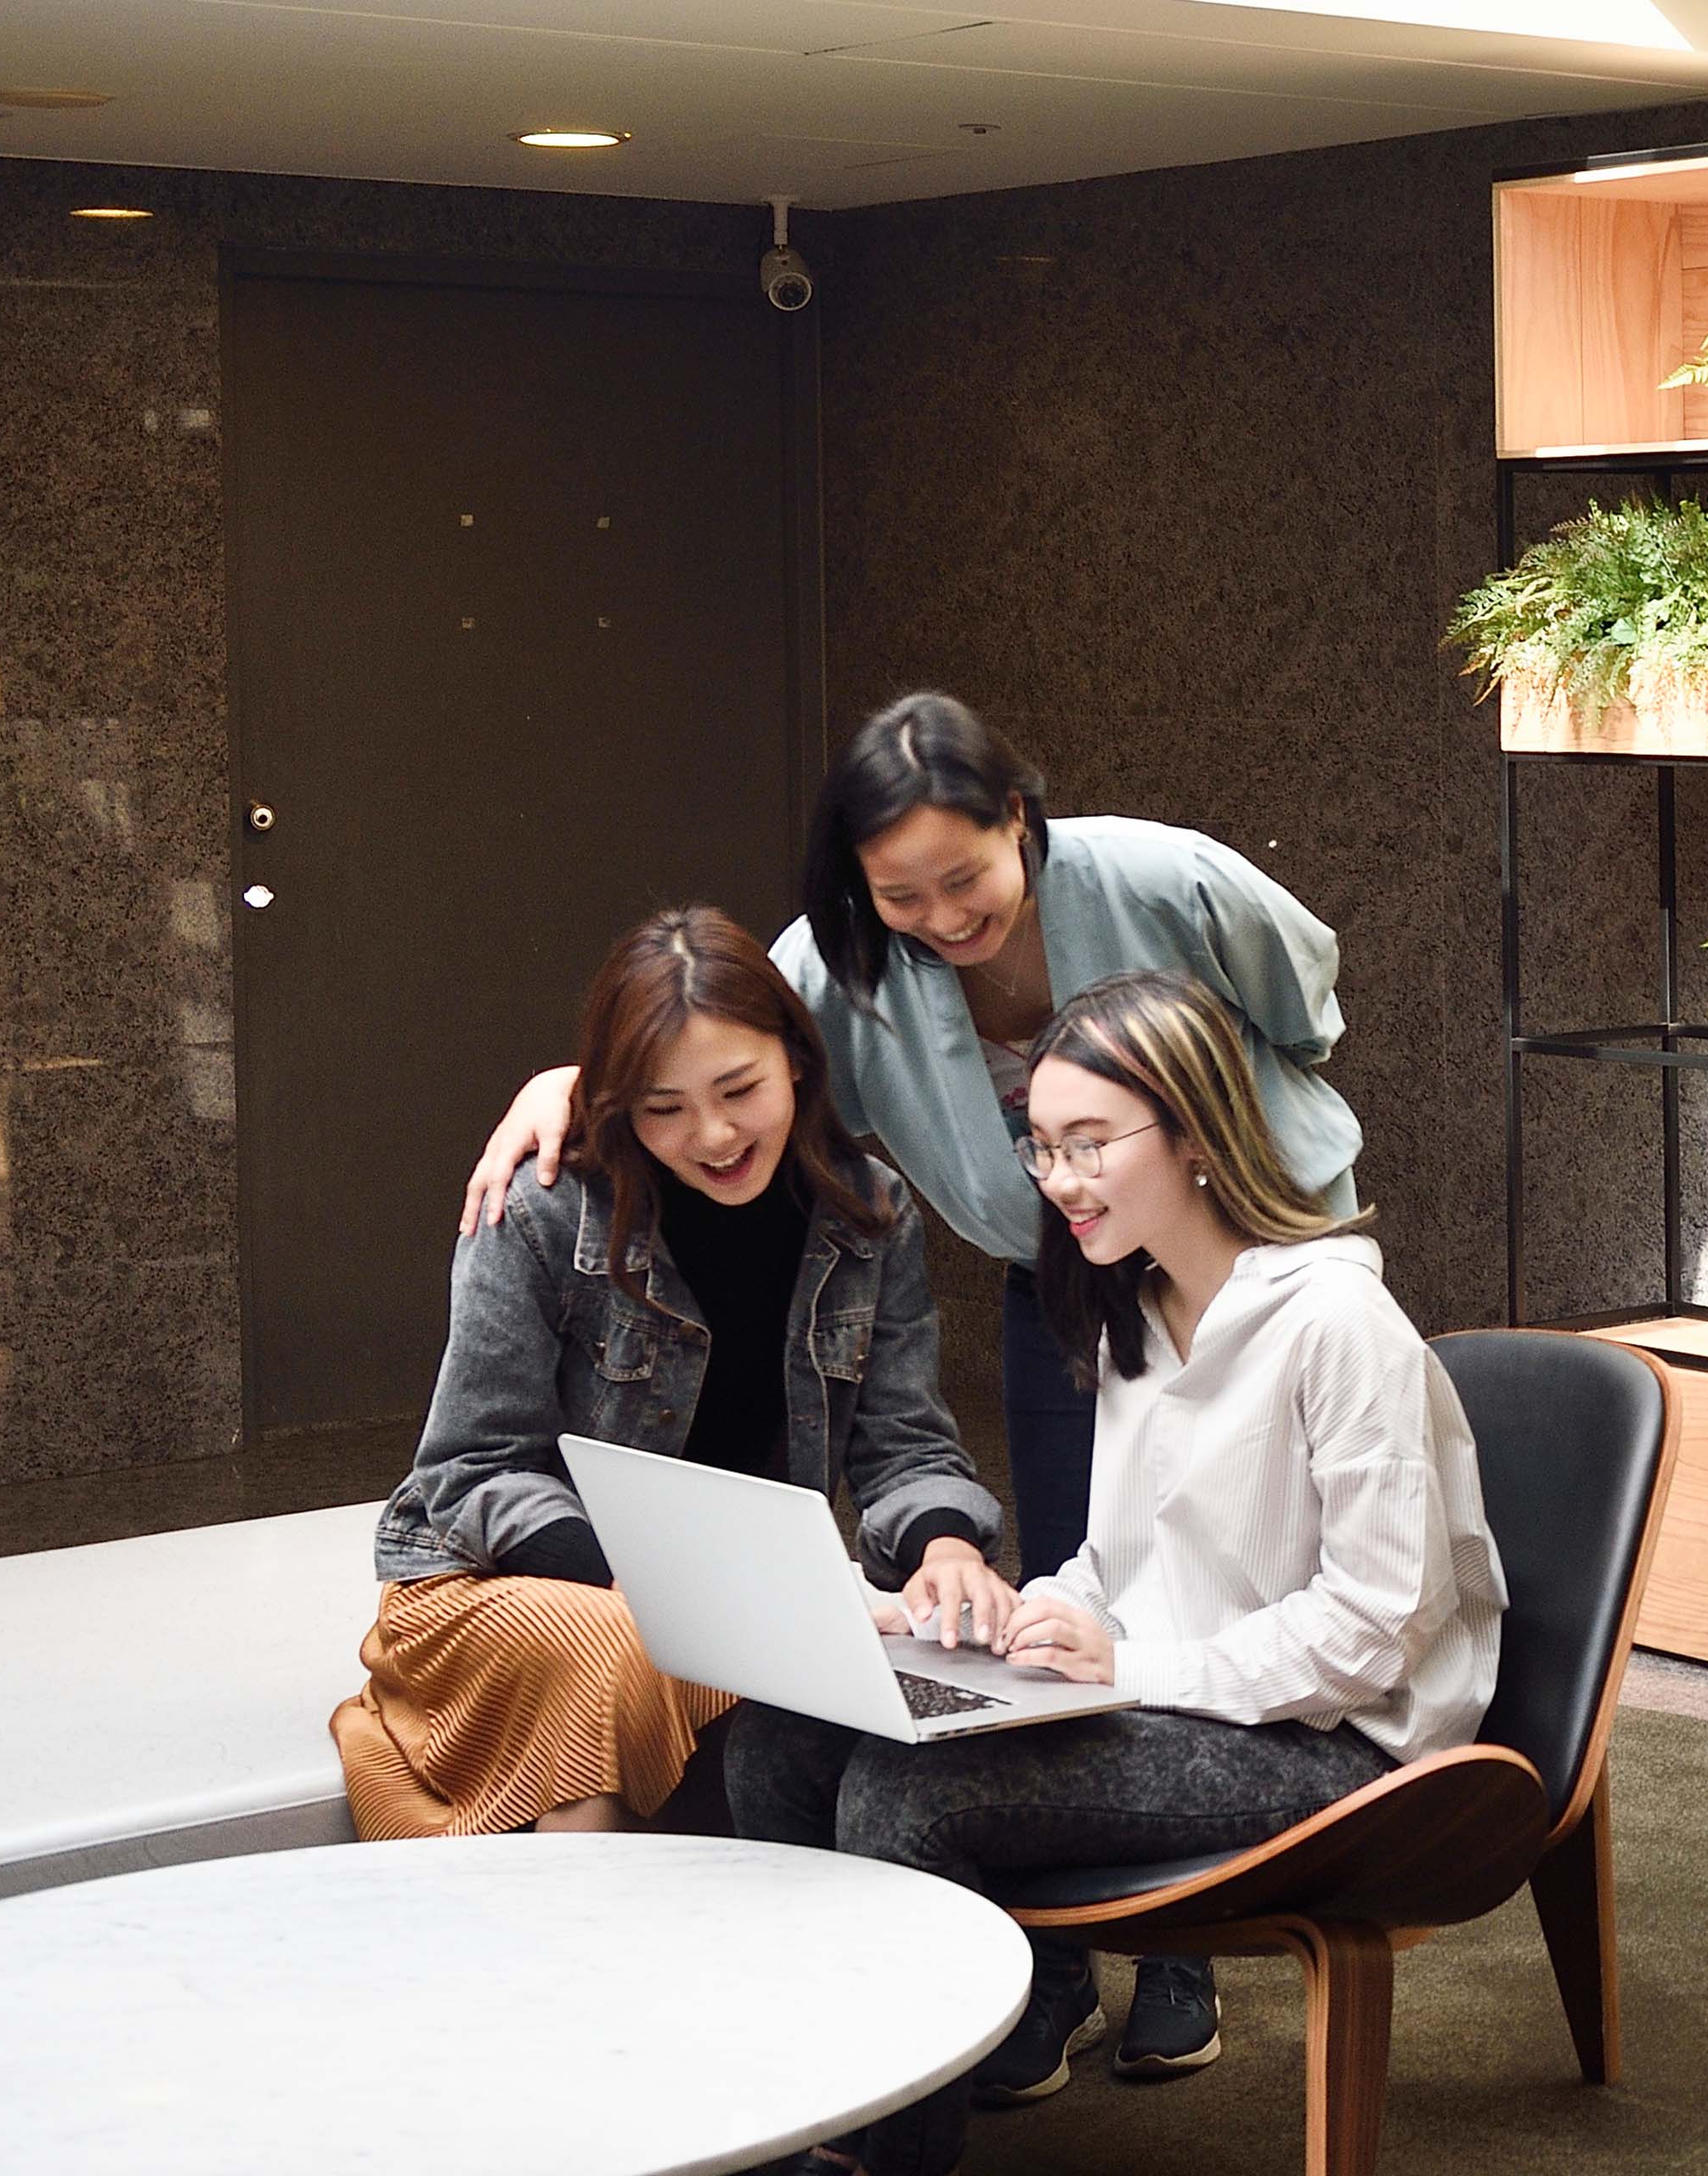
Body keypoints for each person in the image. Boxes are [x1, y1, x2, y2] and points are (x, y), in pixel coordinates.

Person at [460, 694, 1361, 2063]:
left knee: (1221, 1569)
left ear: (1023, 820)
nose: (943, 917)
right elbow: (716, 1031)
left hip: (1237, 1237)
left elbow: (1307, 998)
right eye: (902, 895)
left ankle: (1176, 1955)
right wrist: (573, 1084)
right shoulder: (833, 967)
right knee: (1073, 1585)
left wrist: (1209, 1158)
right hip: (1065, 1269)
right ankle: (1033, 1978)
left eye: (968, 878)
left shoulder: (1162, 879)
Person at [726, 971, 1504, 2176]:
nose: (1059, 1181)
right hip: (1178, 1694)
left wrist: (1132, 1666)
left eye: (1090, 1145)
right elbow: (1115, 1559)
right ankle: (811, 2128)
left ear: (1195, 1135)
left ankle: (896, 2162)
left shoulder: (1338, 1323)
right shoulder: (1135, 1307)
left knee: (905, 1797)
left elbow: (1376, 1628)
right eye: (1041, 1147)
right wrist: (1012, 1613)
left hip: (1338, 1743)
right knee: (778, 1745)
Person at [334, 907, 1013, 1840]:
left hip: (732, 1603)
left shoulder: (869, 1213)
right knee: (616, 1648)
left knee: (929, 1678)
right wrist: (655, 1582)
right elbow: (469, 1472)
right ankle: (592, 1963)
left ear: (799, 1065)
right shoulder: (541, 1210)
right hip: (506, 1589)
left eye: (741, 1089)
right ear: (619, 1104)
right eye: (665, 1109)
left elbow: (906, 1445)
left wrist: (946, 1548)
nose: (715, 1134)